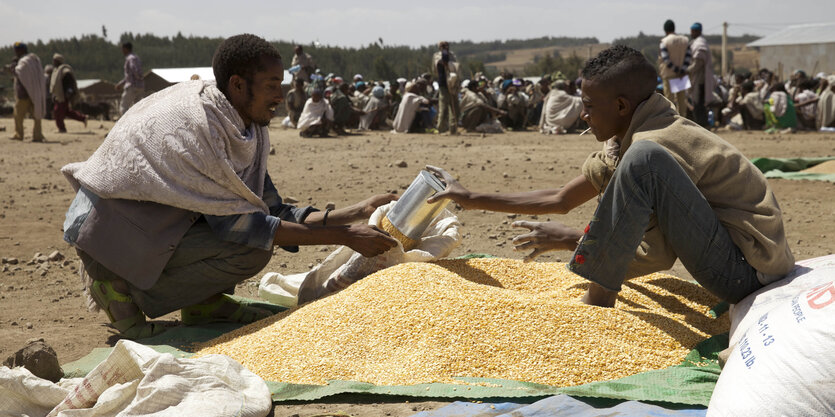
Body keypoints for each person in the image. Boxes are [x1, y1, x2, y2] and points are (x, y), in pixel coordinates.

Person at [61, 34, 397, 339]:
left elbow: (268, 207)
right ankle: (118, 289)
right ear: (238, 85)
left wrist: (356, 212)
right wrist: (348, 237)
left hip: (144, 227)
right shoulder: (200, 128)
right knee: (251, 248)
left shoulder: (242, 124)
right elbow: (243, 225)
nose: (280, 96)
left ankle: (204, 304)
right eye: (271, 85)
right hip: (108, 236)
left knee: (252, 232)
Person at [426, 45, 794, 309]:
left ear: (620, 106)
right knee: (642, 158)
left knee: (646, 158)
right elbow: (561, 199)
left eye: (588, 107)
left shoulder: (655, 145)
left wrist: (575, 241)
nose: (583, 116)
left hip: (746, 273)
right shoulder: (634, 134)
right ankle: (597, 288)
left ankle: (596, 300)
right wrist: (469, 196)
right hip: (727, 259)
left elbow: (656, 256)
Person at [6, 42, 46, 142]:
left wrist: (12, 69)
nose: (16, 52)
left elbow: (20, 72)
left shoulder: (25, 61)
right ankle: (36, 135)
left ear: (22, 50)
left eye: (17, 50)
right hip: (34, 92)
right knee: (33, 115)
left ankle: (21, 134)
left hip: (25, 93)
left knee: (19, 115)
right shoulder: (34, 60)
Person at [658, 19, 692, 115]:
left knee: (670, 101)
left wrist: (676, 70)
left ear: (665, 30)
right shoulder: (685, 40)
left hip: (669, 75)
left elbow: (666, 60)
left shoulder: (664, 42)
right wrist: (682, 70)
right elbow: (688, 57)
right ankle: (683, 121)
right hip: (682, 75)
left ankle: (672, 122)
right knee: (682, 101)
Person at [687, 23, 716, 128]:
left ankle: (702, 125)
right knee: (698, 104)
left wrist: (686, 70)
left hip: (700, 79)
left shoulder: (700, 44)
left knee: (698, 104)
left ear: (698, 31)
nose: (691, 33)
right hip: (697, 78)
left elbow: (698, 63)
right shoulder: (696, 43)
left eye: (693, 31)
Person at [49, 53, 87, 133]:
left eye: (55, 61)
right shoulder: (57, 71)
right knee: (66, 112)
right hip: (58, 96)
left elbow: (70, 83)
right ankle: (83, 118)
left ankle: (62, 128)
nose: (53, 62)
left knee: (58, 112)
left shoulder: (65, 71)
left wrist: (69, 92)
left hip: (63, 96)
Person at [433, 41, 460, 135]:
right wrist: (444, 52)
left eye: (446, 45)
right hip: (444, 84)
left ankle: (453, 128)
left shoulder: (452, 55)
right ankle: (441, 128)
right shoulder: (437, 55)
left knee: (455, 108)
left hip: (453, 84)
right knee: (443, 107)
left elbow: (456, 67)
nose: (445, 47)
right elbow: (443, 62)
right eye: (443, 46)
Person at [115, 42, 144, 116]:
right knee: (139, 108)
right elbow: (130, 75)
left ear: (125, 49)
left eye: (122, 49)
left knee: (123, 107)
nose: (122, 51)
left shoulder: (130, 58)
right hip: (140, 86)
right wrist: (121, 83)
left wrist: (138, 77)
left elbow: (134, 70)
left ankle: (125, 125)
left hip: (132, 86)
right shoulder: (136, 58)